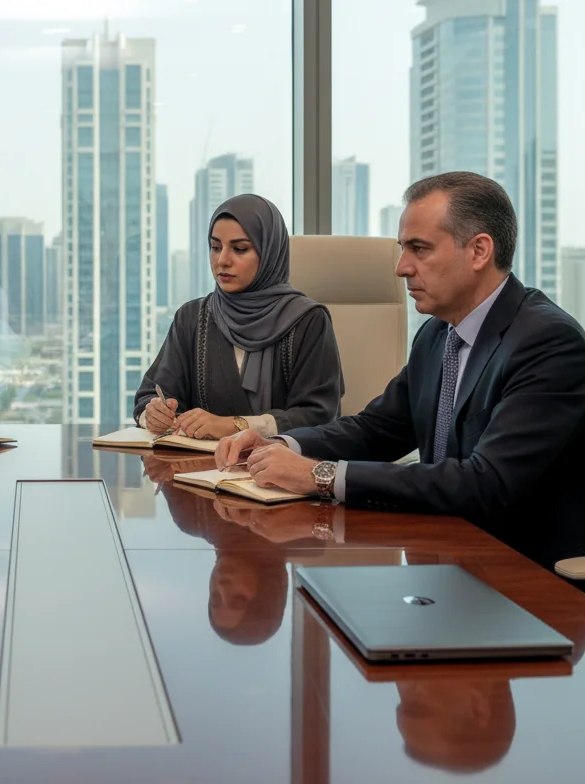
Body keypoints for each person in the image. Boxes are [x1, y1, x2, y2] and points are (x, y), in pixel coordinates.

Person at [216, 171, 585, 572]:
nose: (401, 268)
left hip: (521, 577)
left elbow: (486, 483)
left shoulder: (548, 342)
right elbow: (376, 429)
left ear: (479, 251)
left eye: (419, 249)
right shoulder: (437, 334)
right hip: (442, 558)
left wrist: (320, 476)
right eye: (402, 249)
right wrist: (285, 444)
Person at [135, 194, 342, 441]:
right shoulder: (192, 318)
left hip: (280, 471)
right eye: (215, 247)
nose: (222, 260)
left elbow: (318, 416)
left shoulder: (308, 321)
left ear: (269, 254)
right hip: (197, 473)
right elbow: (151, 394)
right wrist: (154, 413)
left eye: (240, 249)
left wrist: (232, 426)